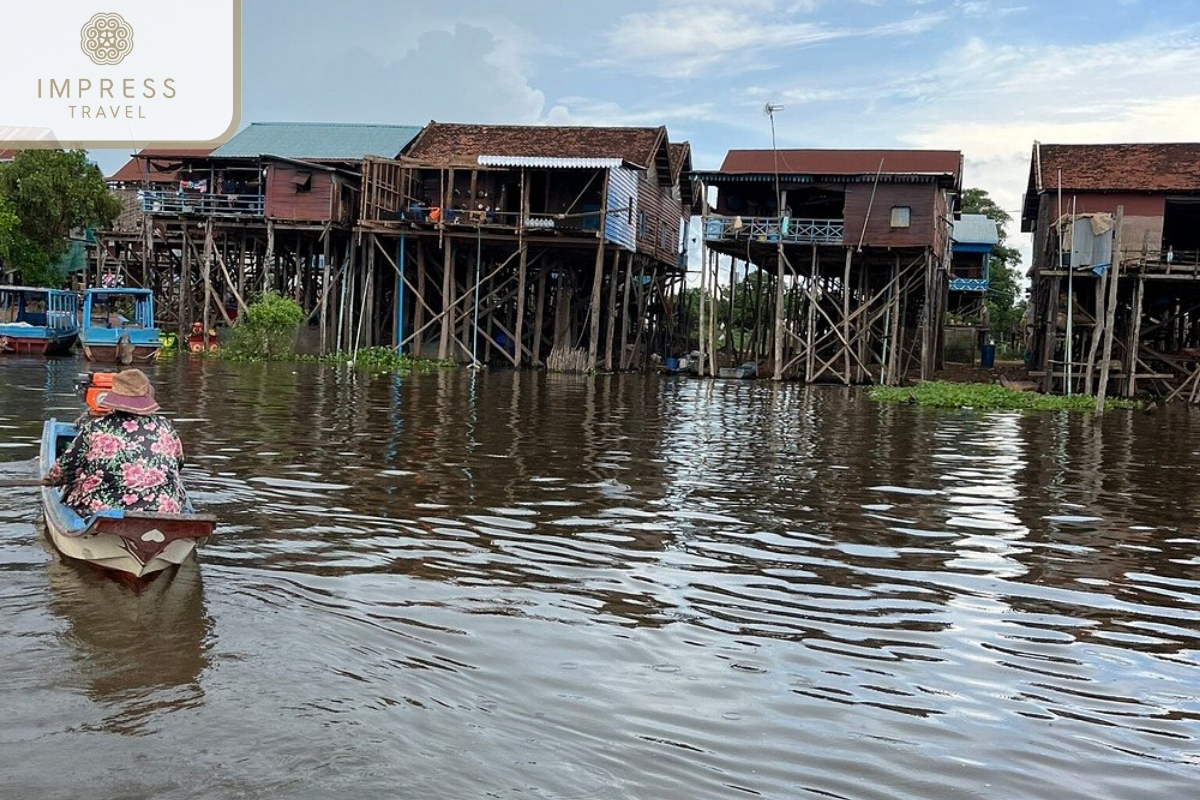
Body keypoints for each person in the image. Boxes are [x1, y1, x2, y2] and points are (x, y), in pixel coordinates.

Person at [44, 369, 188, 516]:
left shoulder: (95, 428)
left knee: (75, 487)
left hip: (104, 511)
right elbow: (179, 463)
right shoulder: (165, 426)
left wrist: (52, 480)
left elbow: (65, 470)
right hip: (164, 508)